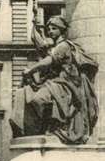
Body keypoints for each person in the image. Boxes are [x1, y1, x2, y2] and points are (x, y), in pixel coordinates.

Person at [10, 15, 98, 143]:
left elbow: (50, 60)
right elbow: (41, 45)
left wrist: (31, 69)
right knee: (29, 95)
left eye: (53, 28)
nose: (50, 31)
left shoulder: (64, 46)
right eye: (49, 29)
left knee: (38, 98)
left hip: (67, 82)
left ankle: (58, 125)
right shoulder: (55, 46)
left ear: (61, 30)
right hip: (55, 81)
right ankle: (48, 126)